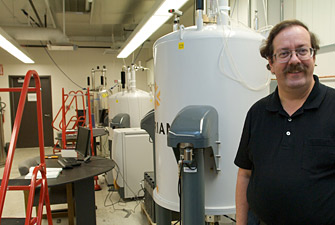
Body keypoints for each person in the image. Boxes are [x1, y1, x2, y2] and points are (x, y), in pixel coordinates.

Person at [234, 19, 335, 225]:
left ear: (314, 56)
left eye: (302, 50)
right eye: (284, 53)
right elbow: (245, 174)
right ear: (271, 63)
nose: (294, 60)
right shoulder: (257, 112)